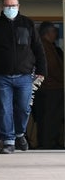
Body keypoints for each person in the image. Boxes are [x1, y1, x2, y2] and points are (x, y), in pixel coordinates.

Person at [0, 0, 47, 154]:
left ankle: (20, 134)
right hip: (1, 76)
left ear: (18, 6)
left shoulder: (28, 24)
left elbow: (38, 49)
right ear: (2, 6)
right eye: (7, 5)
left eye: (13, 5)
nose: (10, 8)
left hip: (25, 76)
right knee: (4, 109)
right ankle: (8, 142)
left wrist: (42, 70)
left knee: (23, 108)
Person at [34, 21, 64, 149]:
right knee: (51, 117)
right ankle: (48, 142)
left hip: (49, 87)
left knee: (48, 117)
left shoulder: (47, 46)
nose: (55, 34)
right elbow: (52, 68)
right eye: (53, 31)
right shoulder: (46, 47)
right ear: (47, 33)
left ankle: (49, 141)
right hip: (51, 87)